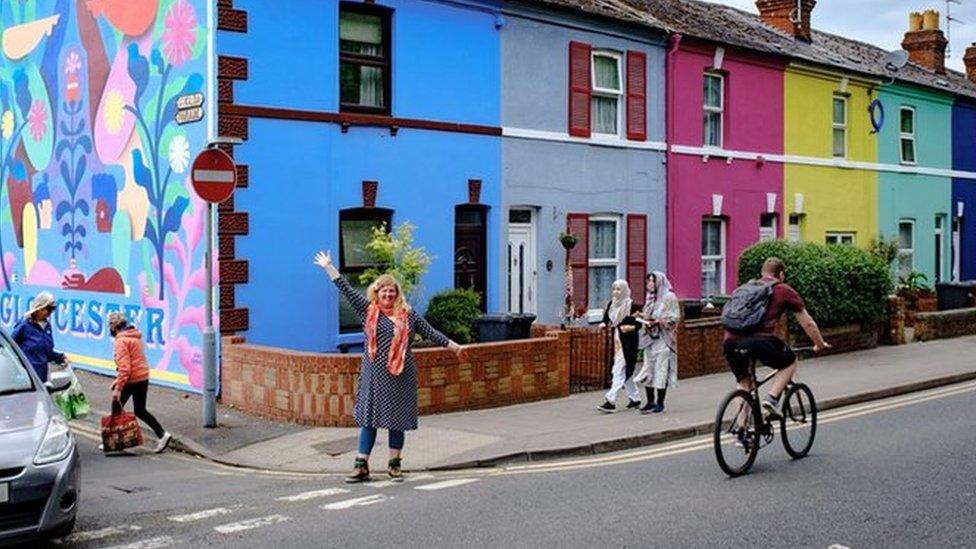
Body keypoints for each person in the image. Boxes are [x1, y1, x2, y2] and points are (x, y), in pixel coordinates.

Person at [314, 251, 465, 483]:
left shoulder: (409, 316)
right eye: (383, 290)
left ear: (396, 295)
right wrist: (328, 266)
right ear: (377, 292)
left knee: (397, 420)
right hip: (373, 375)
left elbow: (430, 332)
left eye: (391, 291)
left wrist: (454, 347)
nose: (387, 294)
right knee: (369, 419)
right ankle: (361, 465)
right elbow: (345, 288)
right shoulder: (368, 311)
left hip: (401, 375)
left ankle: (394, 465)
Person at [723, 257, 830, 419]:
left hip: (730, 342)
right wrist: (819, 344)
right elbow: (808, 323)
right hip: (759, 341)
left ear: (762, 273)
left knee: (744, 383)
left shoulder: (744, 289)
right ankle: (772, 399)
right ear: (781, 274)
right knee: (789, 361)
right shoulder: (783, 290)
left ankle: (741, 431)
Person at [108, 312, 171, 453]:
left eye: (110, 326)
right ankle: (162, 434)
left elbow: (125, 368)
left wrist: (118, 388)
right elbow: (133, 362)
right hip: (142, 377)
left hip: (131, 379)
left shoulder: (121, 341)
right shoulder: (135, 337)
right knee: (140, 410)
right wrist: (118, 380)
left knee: (117, 408)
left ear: (113, 326)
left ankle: (118, 441)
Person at [634, 271, 680, 414]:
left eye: (653, 281)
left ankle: (660, 403)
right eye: (648, 281)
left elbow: (675, 317)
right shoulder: (650, 298)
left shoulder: (669, 297)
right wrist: (642, 317)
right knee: (648, 369)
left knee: (661, 370)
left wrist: (659, 322)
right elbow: (649, 315)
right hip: (650, 339)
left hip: (663, 340)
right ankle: (650, 401)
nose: (650, 284)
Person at [597, 280, 641, 413]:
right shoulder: (612, 304)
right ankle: (635, 398)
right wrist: (603, 324)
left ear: (625, 290)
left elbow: (639, 324)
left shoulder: (631, 305)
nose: (616, 292)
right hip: (617, 339)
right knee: (625, 371)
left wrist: (630, 327)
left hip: (629, 341)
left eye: (619, 289)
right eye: (614, 289)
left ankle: (610, 400)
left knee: (618, 369)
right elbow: (606, 319)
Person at [11, 291, 66, 382]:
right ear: (39, 308)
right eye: (48, 309)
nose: (49, 313)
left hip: (41, 378)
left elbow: (47, 352)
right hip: (25, 378)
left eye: (52, 309)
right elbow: (10, 347)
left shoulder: (47, 327)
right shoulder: (24, 326)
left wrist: (60, 357)